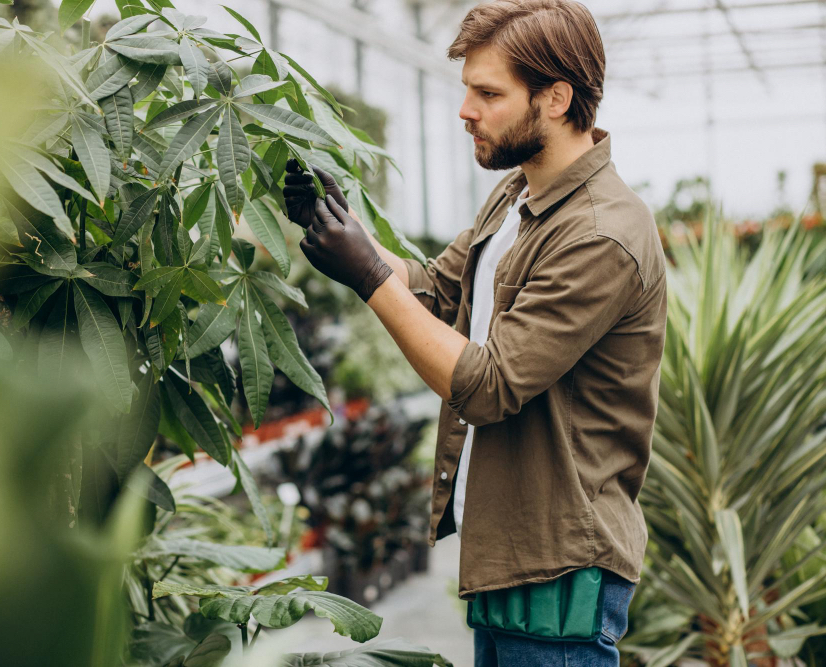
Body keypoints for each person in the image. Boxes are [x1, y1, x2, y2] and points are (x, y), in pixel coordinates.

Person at [282, 1, 667, 664]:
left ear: (555, 98)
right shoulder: (520, 195)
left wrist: (369, 272)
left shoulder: (603, 234)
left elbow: (489, 385)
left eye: (488, 93)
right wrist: (342, 233)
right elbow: (435, 286)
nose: (465, 109)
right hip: (510, 557)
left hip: (561, 575)